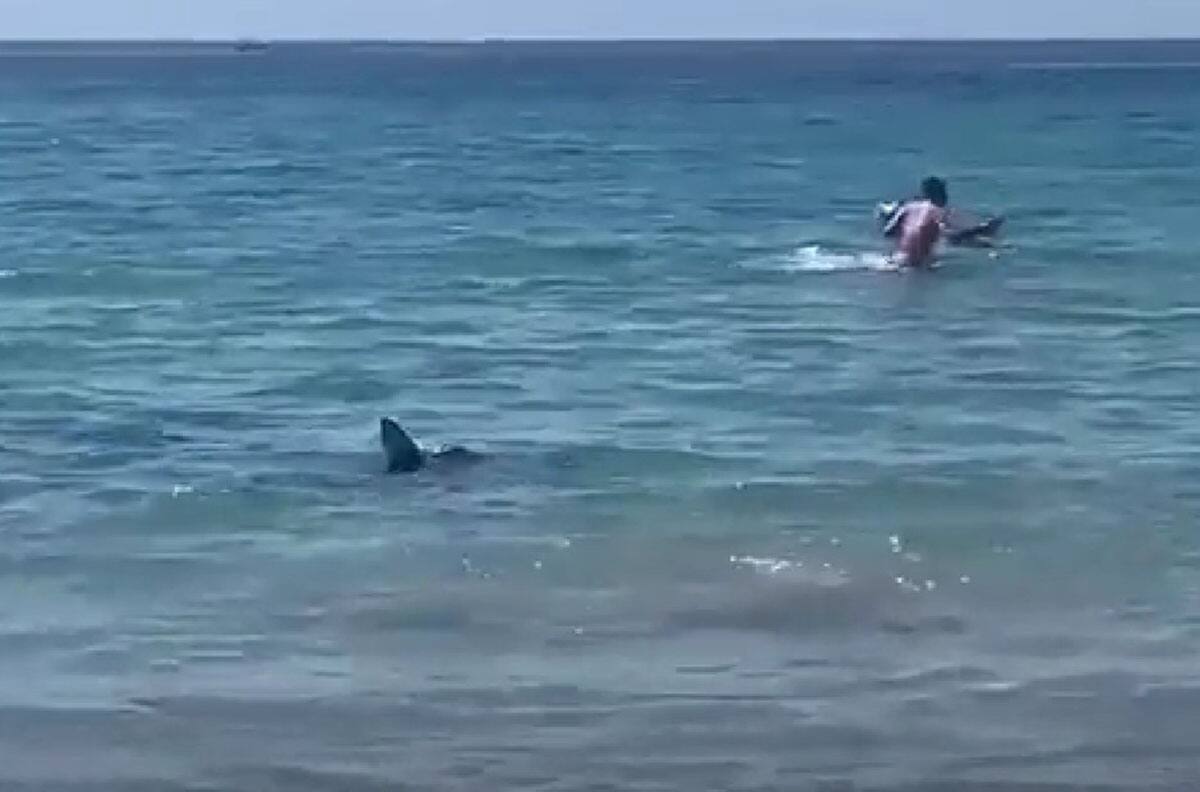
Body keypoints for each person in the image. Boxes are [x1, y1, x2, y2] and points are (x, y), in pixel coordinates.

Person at [880, 176, 1003, 268]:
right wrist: (982, 229)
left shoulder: (908, 207)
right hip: (920, 265)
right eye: (944, 193)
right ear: (939, 194)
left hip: (896, 260)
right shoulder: (938, 211)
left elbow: (887, 232)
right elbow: (952, 236)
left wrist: (905, 231)